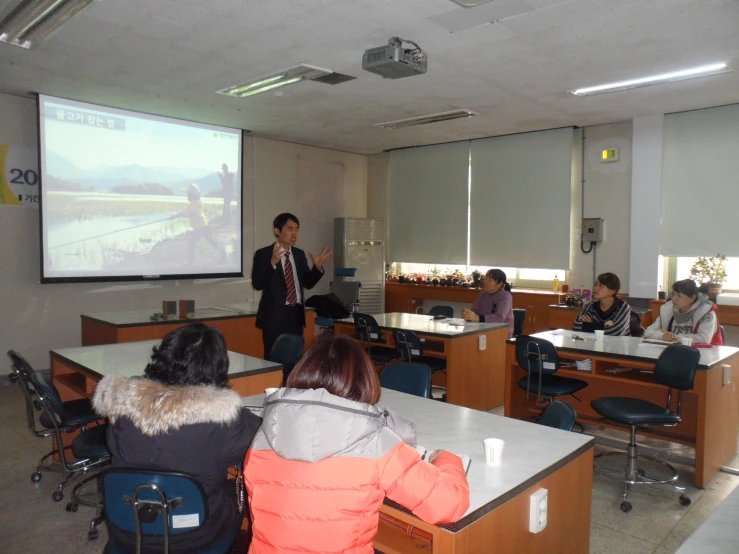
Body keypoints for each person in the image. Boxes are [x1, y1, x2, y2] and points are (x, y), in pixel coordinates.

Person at [244, 334, 470, 554]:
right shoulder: (377, 441)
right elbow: (448, 504)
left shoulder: (264, 434)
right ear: (365, 383)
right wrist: (447, 459)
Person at [93, 324, 261, 553]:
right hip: (194, 535)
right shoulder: (226, 421)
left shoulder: (121, 408)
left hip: (128, 528)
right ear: (217, 366)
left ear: (163, 356)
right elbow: (262, 436)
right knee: (238, 488)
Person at [252, 213, 332, 358]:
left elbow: (308, 283)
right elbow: (257, 284)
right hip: (274, 318)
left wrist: (318, 267)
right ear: (277, 231)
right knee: (273, 361)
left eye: (296, 229)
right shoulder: (263, 254)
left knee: (294, 360)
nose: (294, 233)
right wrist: (272, 263)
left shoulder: (299, 255)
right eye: (289, 229)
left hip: (295, 316)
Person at [644, 279, 722, 344]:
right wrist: (662, 336)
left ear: (692, 298)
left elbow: (704, 339)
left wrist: (674, 336)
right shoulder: (668, 309)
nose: (674, 299)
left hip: (706, 355)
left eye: (679, 296)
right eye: (673, 294)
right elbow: (648, 332)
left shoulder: (706, 312)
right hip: (676, 352)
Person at [170, 183, 226, 266]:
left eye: (188, 194)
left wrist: (175, 215)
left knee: (192, 243)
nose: (187, 195)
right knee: (211, 242)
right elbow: (188, 213)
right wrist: (178, 214)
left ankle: (190, 263)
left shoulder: (192, 206)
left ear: (192, 195)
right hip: (205, 227)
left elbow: (185, 213)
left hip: (200, 229)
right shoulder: (197, 203)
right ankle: (223, 254)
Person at [463, 268, 515, 338]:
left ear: (500, 283)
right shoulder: (482, 295)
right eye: (486, 279)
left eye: (490, 280)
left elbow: (499, 318)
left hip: (501, 333)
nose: (486, 282)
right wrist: (469, 314)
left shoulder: (505, 296)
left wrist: (476, 318)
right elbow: (475, 312)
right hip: (482, 330)